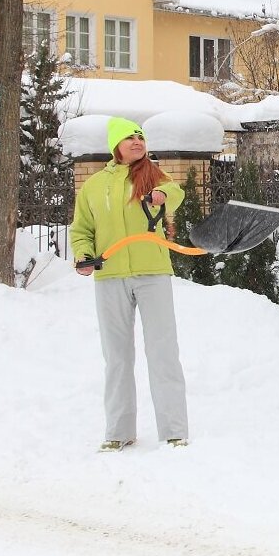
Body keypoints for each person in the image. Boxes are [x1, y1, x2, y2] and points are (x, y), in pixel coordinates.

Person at [71, 117, 189, 452]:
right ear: (116, 145)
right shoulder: (94, 186)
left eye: (141, 137)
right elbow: (81, 229)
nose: (138, 141)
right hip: (110, 275)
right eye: (130, 137)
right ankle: (118, 431)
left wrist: (160, 194)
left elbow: (176, 192)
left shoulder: (155, 176)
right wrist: (83, 254)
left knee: (163, 351)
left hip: (152, 271)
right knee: (117, 356)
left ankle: (174, 429)